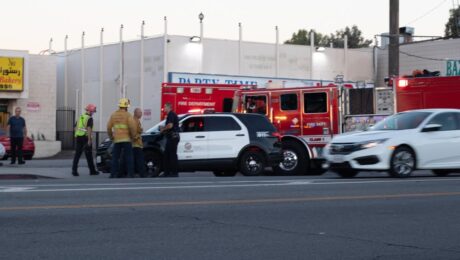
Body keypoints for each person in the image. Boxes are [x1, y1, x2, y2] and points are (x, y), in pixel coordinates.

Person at [107, 98, 136, 178]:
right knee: (129, 157)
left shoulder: (113, 115)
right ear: (126, 106)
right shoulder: (128, 115)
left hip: (117, 139)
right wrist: (133, 136)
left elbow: (108, 127)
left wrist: (111, 137)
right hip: (126, 139)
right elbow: (132, 127)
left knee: (115, 158)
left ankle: (113, 174)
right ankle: (130, 174)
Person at [71, 104, 100, 176]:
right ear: (90, 111)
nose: (93, 113)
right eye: (93, 111)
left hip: (78, 137)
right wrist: (89, 140)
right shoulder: (89, 118)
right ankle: (92, 171)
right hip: (86, 138)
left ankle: (74, 171)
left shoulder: (81, 117)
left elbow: (75, 127)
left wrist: (77, 134)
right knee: (89, 155)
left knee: (77, 155)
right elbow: (89, 129)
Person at [160, 102, 180, 177]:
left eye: (165, 107)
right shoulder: (170, 115)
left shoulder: (171, 114)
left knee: (171, 155)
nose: (164, 108)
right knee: (167, 155)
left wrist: (163, 129)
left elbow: (170, 125)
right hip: (172, 137)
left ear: (168, 107)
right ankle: (168, 172)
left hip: (173, 137)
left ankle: (173, 173)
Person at [132, 108, 146, 178]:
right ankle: (142, 174)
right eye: (140, 112)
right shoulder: (135, 121)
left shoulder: (136, 120)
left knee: (135, 159)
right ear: (136, 113)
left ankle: (133, 173)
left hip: (135, 144)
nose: (141, 114)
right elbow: (134, 132)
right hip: (136, 144)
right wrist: (137, 136)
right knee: (140, 159)